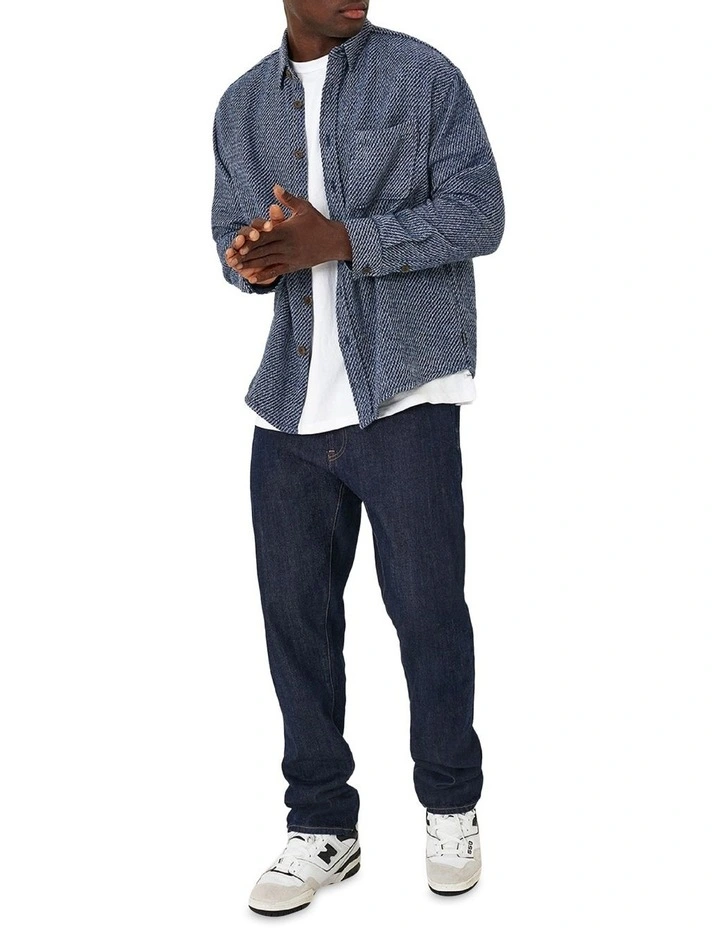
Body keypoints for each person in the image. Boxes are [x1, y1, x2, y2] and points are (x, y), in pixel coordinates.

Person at [211, 0, 504, 916]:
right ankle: (321, 826)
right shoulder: (240, 105)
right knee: (295, 623)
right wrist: (252, 258)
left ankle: (450, 808)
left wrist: (343, 239)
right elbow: (227, 237)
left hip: (406, 393)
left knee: (427, 612)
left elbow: (481, 214)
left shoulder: (422, 74)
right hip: (291, 404)